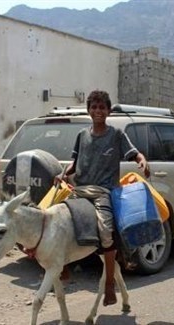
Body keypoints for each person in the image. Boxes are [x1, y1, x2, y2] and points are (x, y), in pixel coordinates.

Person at [55, 90, 150, 306]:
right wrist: (62, 174)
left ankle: (109, 284)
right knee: (56, 221)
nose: (98, 111)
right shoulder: (82, 135)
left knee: (106, 231)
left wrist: (142, 160)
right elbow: (74, 163)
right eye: (94, 107)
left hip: (103, 192)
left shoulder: (116, 135)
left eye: (102, 107)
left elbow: (135, 153)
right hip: (79, 190)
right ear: (89, 110)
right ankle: (64, 268)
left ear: (108, 111)